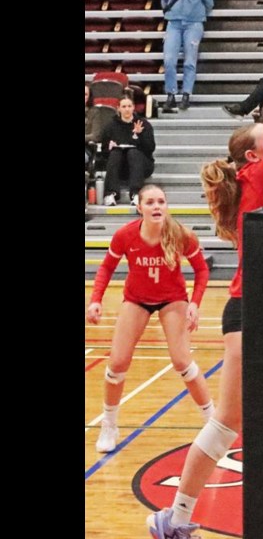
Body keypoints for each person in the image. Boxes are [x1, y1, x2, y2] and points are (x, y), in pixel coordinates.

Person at [146, 122, 263, 539]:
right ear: (252, 157)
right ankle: (175, 519)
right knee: (227, 423)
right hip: (250, 309)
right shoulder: (262, 175)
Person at [87, 184, 213, 453]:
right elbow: (107, 267)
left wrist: (195, 303)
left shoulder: (180, 234)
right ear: (139, 207)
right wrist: (95, 299)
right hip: (136, 299)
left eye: (161, 202)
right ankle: (109, 424)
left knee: (182, 360)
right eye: (150, 202)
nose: (157, 207)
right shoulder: (125, 235)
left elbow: (201, 270)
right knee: (117, 362)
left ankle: (212, 421)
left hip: (172, 299)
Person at [161, 0, 214, 113]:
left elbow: (209, 2)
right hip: (174, 24)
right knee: (169, 59)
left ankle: (186, 94)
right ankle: (170, 94)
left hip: (193, 25)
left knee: (189, 61)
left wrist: (197, 14)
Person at [101, 96, 156, 206]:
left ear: (133, 108)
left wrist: (139, 135)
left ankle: (136, 193)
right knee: (115, 152)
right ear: (118, 108)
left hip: (141, 165)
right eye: (124, 106)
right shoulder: (110, 126)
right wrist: (109, 147)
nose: (127, 109)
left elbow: (150, 149)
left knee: (133, 152)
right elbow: (104, 153)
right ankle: (111, 194)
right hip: (120, 166)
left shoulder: (143, 124)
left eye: (129, 106)